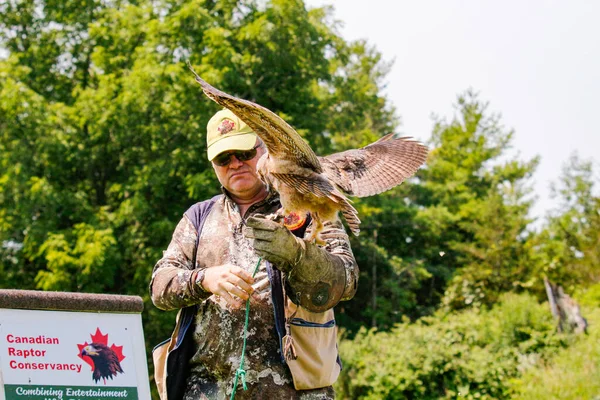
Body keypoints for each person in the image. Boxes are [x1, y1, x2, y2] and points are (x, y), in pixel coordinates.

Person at [151, 109, 358, 399]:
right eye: (224, 158)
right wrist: (204, 279)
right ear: (213, 164)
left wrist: (298, 256)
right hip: (209, 389)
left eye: (245, 152)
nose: (235, 164)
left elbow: (346, 279)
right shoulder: (198, 217)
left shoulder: (309, 201)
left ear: (264, 151)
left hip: (293, 390)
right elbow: (160, 286)